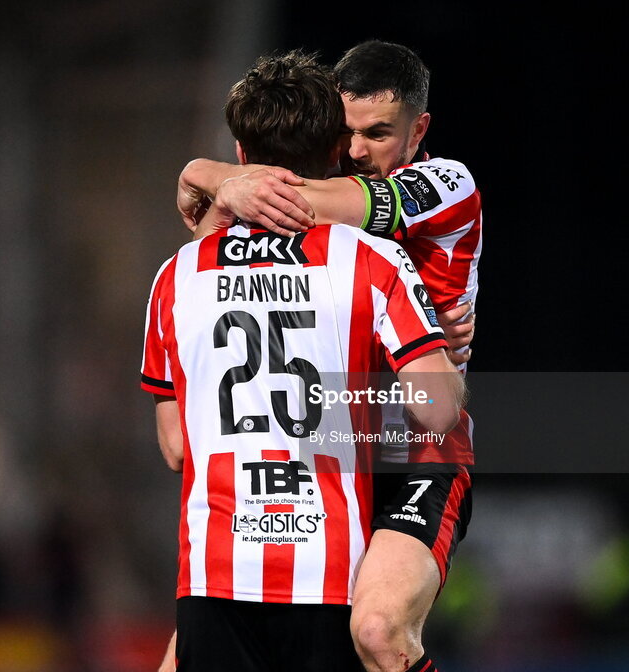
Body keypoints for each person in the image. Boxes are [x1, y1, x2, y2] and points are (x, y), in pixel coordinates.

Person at [142, 50, 464, 672]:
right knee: (372, 635)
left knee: (379, 630)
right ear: (333, 147)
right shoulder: (367, 261)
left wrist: (212, 178)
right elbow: (438, 404)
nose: (363, 150)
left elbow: (178, 446)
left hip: (393, 468)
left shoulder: (176, 275)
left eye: (379, 133)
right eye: (353, 136)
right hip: (326, 536)